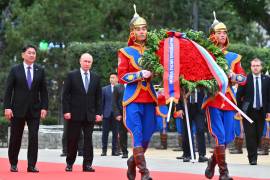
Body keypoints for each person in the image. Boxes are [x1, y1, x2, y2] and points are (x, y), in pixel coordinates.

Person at [203, 14, 246, 179]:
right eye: (219, 32)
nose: (223, 35)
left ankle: (212, 162)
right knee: (219, 136)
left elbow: (243, 79)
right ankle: (223, 173)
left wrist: (233, 75)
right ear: (212, 35)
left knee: (228, 137)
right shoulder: (206, 56)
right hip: (214, 100)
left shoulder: (233, 57)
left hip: (229, 101)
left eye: (224, 32)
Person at [118, 5, 157, 180]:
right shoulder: (125, 52)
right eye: (138, 29)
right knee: (138, 134)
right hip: (133, 98)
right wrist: (139, 74)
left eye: (144, 29)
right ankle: (144, 172)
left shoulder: (153, 51)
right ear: (132, 32)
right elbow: (122, 77)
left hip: (149, 97)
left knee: (148, 133)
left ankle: (132, 161)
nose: (142, 32)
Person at [4, 44, 49, 173]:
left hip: (34, 110)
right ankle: (13, 163)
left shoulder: (40, 70)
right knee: (15, 137)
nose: (32, 55)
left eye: (34, 53)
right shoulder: (15, 70)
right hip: (17, 109)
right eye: (29, 53)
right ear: (23, 55)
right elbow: (8, 90)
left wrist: (44, 107)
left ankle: (31, 165)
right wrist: (7, 107)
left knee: (34, 137)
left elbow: (44, 91)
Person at [62, 53, 102, 172]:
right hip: (74, 114)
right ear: (80, 61)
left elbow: (98, 97)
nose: (87, 63)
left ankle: (87, 165)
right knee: (73, 139)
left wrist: (99, 113)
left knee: (88, 140)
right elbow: (65, 95)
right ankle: (69, 163)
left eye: (89, 62)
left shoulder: (96, 77)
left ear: (91, 63)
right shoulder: (71, 75)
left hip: (90, 114)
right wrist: (66, 111)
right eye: (85, 61)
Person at [236, 58, 270, 165]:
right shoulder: (245, 79)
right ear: (251, 67)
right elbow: (238, 95)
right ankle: (252, 158)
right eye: (253, 66)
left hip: (261, 112)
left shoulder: (267, 79)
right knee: (250, 135)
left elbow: (269, 97)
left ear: (261, 67)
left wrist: (268, 111)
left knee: (258, 135)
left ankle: (253, 152)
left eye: (257, 65)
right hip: (248, 112)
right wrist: (239, 110)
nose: (255, 67)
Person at [181, 89, 208, 163]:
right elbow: (177, 93)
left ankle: (202, 155)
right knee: (187, 131)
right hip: (187, 107)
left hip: (199, 107)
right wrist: (179, 108)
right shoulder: (183, 79)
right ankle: (188, 154)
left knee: (200, 129)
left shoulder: (201, 79)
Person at [101, 72, 120, 156]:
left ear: (117, 79)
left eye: (113, 77)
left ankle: (114, 151)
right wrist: (100, 113)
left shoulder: (121, 88)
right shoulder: (104, 89)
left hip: (116, 115)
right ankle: (104, 150)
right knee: (105, 133)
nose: (111, 79)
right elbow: (101, 102)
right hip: (106, 114)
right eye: (110, 77)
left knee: (115, 133)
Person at [113, 83, 129, 158]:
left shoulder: (135, 85)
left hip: (133, 113)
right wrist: (117, 114)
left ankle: (138, 151)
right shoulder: (117, 87)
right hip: (121, 113)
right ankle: (124, 151)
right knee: (122, 133)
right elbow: (114, 102)